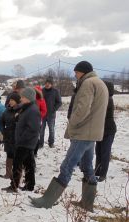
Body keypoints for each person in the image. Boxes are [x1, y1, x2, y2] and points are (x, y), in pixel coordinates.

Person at [30, 61, 109, 212]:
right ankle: (87, 204)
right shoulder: (100, 83)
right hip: (93, 133)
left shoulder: (87, 83)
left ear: (83, 72)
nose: (75, 75)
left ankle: (47, 200)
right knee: (87, 167)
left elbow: (82, 109)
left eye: (76, 72)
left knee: (67, 165)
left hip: (83, 132)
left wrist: (72, 123)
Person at [2, 88, 41, 192]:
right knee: (29, 165)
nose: (21, 99)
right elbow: (23, 122)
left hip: (25, 142)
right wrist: (17, 117)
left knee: (17, 164)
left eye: (23, 97)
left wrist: (22, 138)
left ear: (28, 98)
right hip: (25, 142)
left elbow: (34, 129)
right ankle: (29, 186)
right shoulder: (26, 108)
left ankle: (14, 186)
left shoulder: (33, 110)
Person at [94, 81, 117, 182]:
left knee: (105, 152)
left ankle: (103, 174)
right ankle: (97, 171)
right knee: (98, 151)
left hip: (108, 131)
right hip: (100, 130)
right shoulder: (103, 98)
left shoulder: (108, 100)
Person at [0, 93, 22, 179]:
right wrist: (3, 130)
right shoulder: (7, 110)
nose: (10, 102)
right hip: (8, 136)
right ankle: (8, 174)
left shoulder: (21, 110)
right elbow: (1, 121)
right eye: (10, 100)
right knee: (9, 155)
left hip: (17, 137)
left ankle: (17, 175)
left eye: (12, 100)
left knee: (17, 156)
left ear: (17, 101)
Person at [39, 77, 62, 148]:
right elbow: (39, 101)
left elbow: (59, 102)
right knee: (41, 130)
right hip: (42, 114)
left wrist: (53, 109)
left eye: (49, 83)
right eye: (46, 83)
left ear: (51, 84)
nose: (47, 84)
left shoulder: (55, 91)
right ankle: (40, 143)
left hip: (51, 114)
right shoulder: (42, 91)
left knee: (51, 129)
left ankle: (51, 143)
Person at [33, 85, 47, 156]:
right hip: (29, 121)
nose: (35, 93)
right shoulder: (30, 99)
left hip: (38, 121)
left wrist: (38, 115)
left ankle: (35, 152)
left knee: (36, 137)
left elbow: (44, 111)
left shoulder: (41, 100)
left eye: (36, 92)